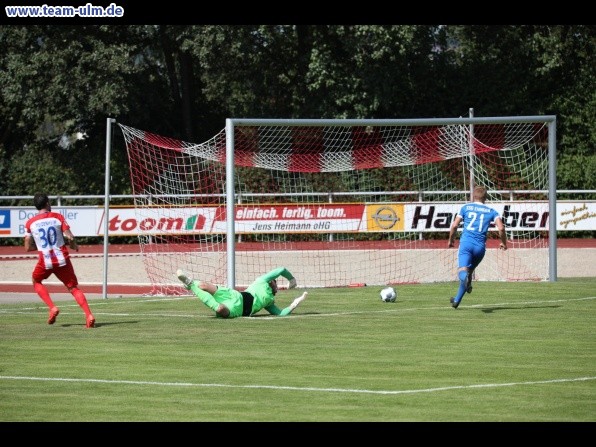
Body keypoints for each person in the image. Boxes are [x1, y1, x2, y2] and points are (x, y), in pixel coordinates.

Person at [24, 193, 96, 328]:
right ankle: (89, 315)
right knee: (73, 288)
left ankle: (52, 307)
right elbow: (71, 237)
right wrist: (75, 246)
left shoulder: (30, 223)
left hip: (45, 260)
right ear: (46, 203)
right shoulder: (58, 217)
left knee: (36, 281)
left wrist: (40, 246)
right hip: (62, 259)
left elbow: (27, 246)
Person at [447, 186, 508, 309]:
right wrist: (504, 243)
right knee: (469, 272)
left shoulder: (465, 207)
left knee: (462, 271)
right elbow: (501, 228)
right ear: (485, 197)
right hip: (480, 248)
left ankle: (465, 280)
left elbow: (454, 225)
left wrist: (451, 240)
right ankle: (456, 300)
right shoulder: (491, 211)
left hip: (466, 244)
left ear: (473, 196)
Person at [176, 267, 307, 318]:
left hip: (239, 310)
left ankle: (191, 285)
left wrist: (295, 304)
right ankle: (191, 283)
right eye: (274, 281)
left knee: (221, 309)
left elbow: (279, 314)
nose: (275, 283)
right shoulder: (262, 280)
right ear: (270, 282)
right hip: (235, 295)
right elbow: (281, 269)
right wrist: (291, 279)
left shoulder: (269, 301)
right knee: (203, 286)